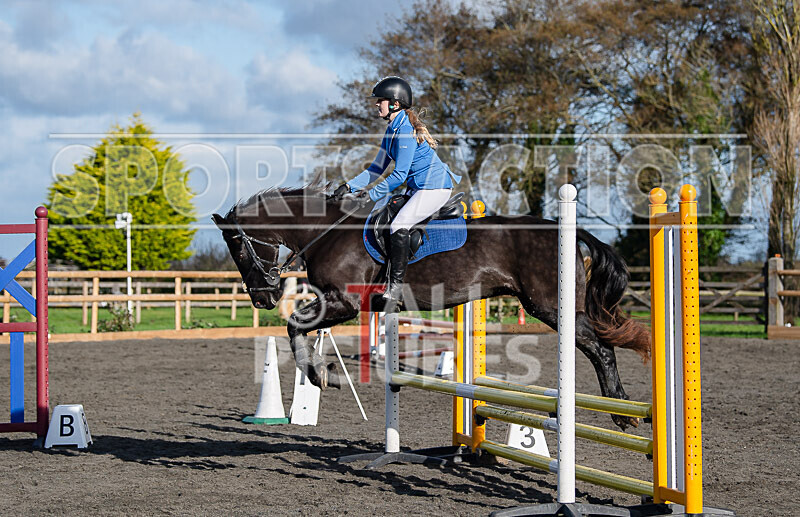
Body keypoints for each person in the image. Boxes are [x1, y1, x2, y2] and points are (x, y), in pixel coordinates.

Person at [333, 76, 460, 304]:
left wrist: (370, 195)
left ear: (395, 103)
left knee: (399, 225)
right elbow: (376, 168)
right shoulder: (393, 129)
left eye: (380, 100)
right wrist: (349, 186)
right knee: (385, 215)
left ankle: (395, 290)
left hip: (434, 188)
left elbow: (399, 175)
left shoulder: (405, 131)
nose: (376, 104)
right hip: (418, 188)